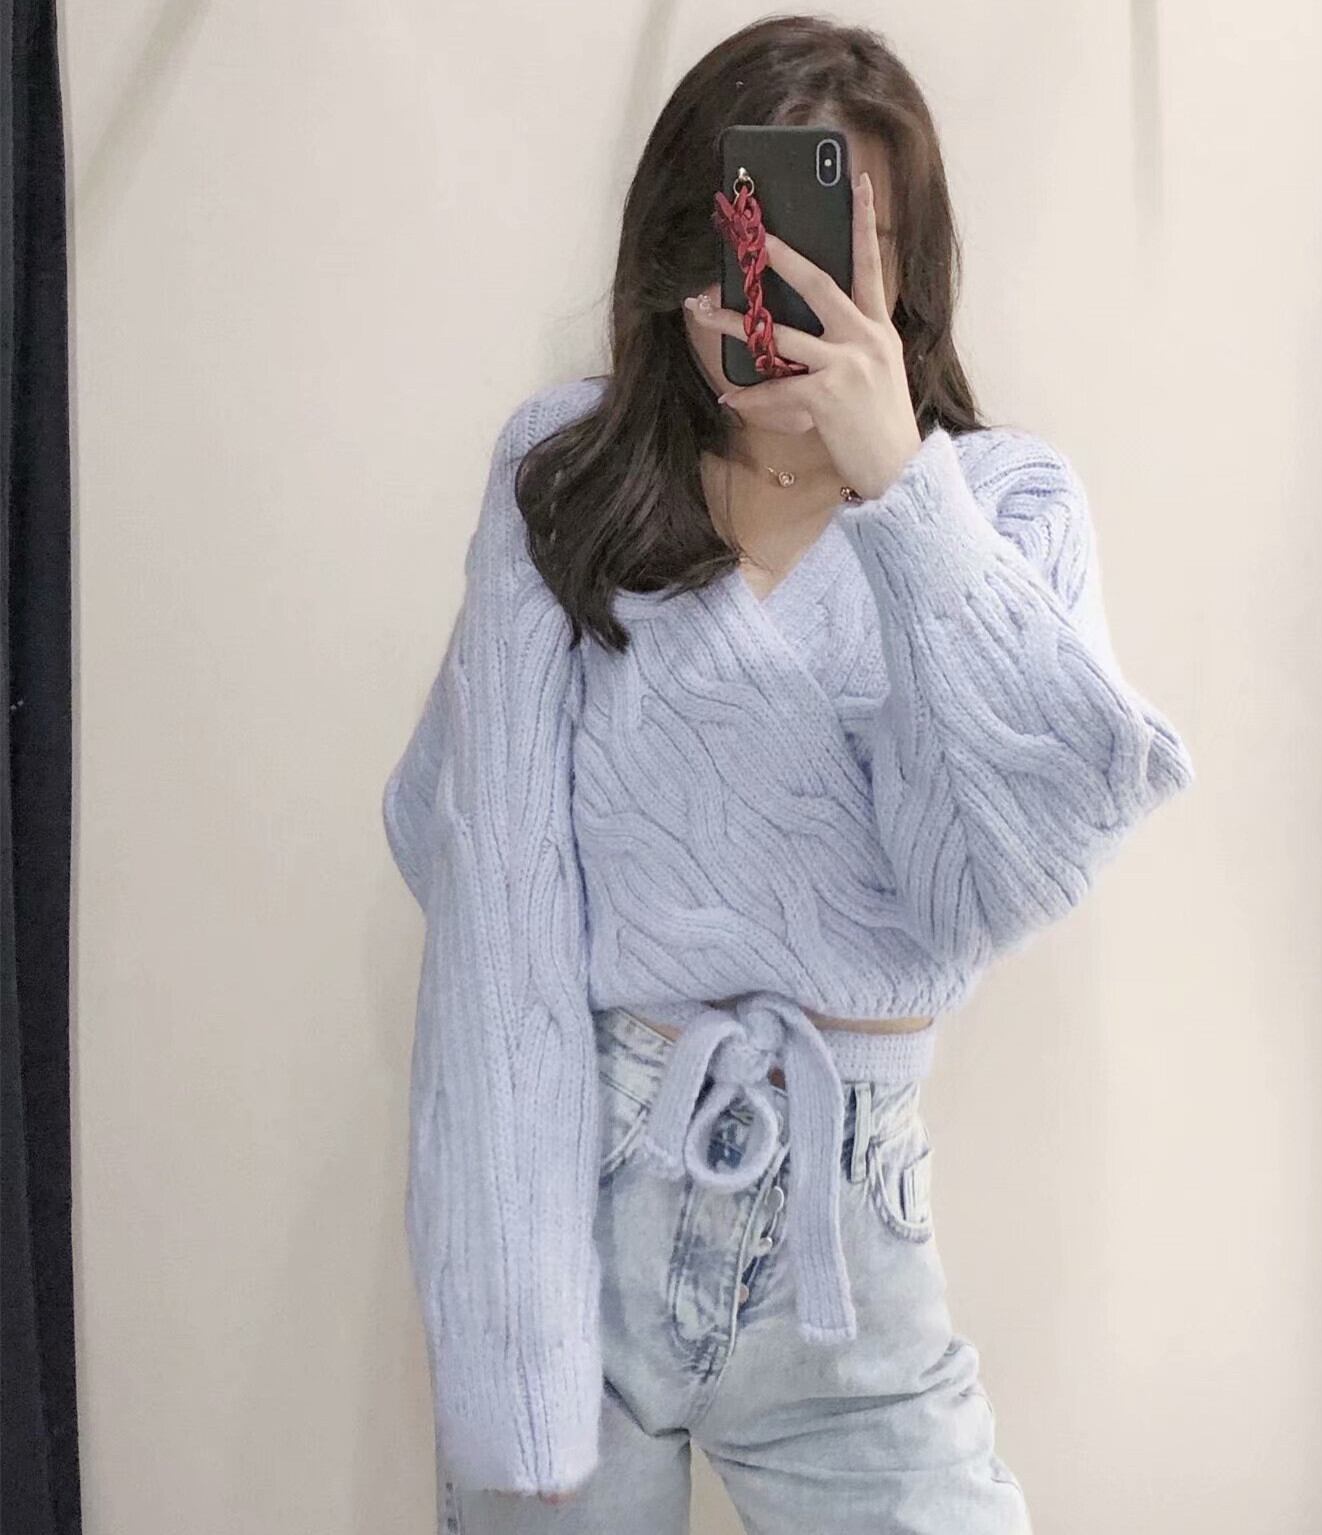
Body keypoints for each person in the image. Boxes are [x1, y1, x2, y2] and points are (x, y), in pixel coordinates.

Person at [381, 16, 1196, 1535]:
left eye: (826, 246)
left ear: (902, 270)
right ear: (673, 252)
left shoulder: (1005, 509)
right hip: (585, 1185)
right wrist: (515, 1352)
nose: (771, 292)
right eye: (736, 243)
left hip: (848, 1228)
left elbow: (995, 885)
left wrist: (903, 490)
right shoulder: (567, 479)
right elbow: (496, 908)